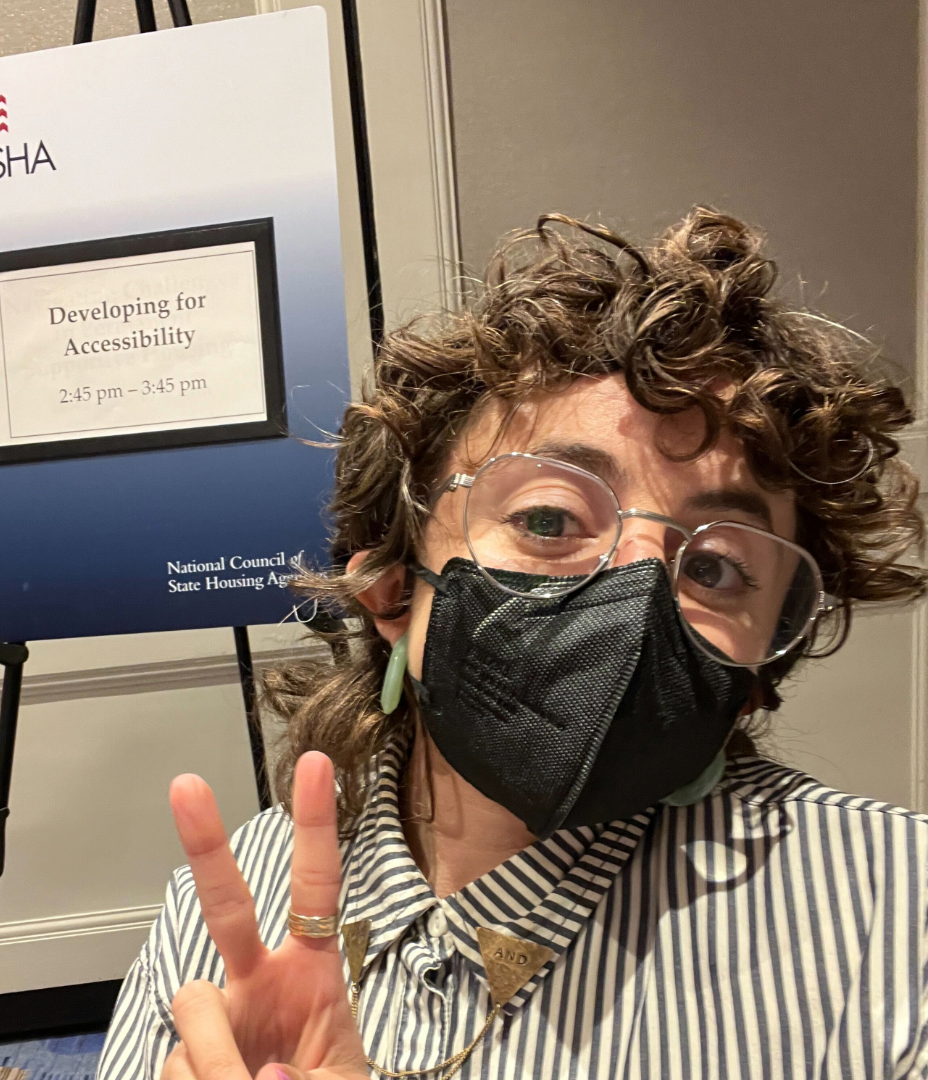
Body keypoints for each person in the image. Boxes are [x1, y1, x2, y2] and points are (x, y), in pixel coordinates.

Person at [98, 209, 928, 1080]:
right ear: (389, 589)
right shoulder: (229, 907)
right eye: (547, 519)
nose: (635, 594)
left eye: (717, 567)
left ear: (761, 666)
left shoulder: (891, 919)